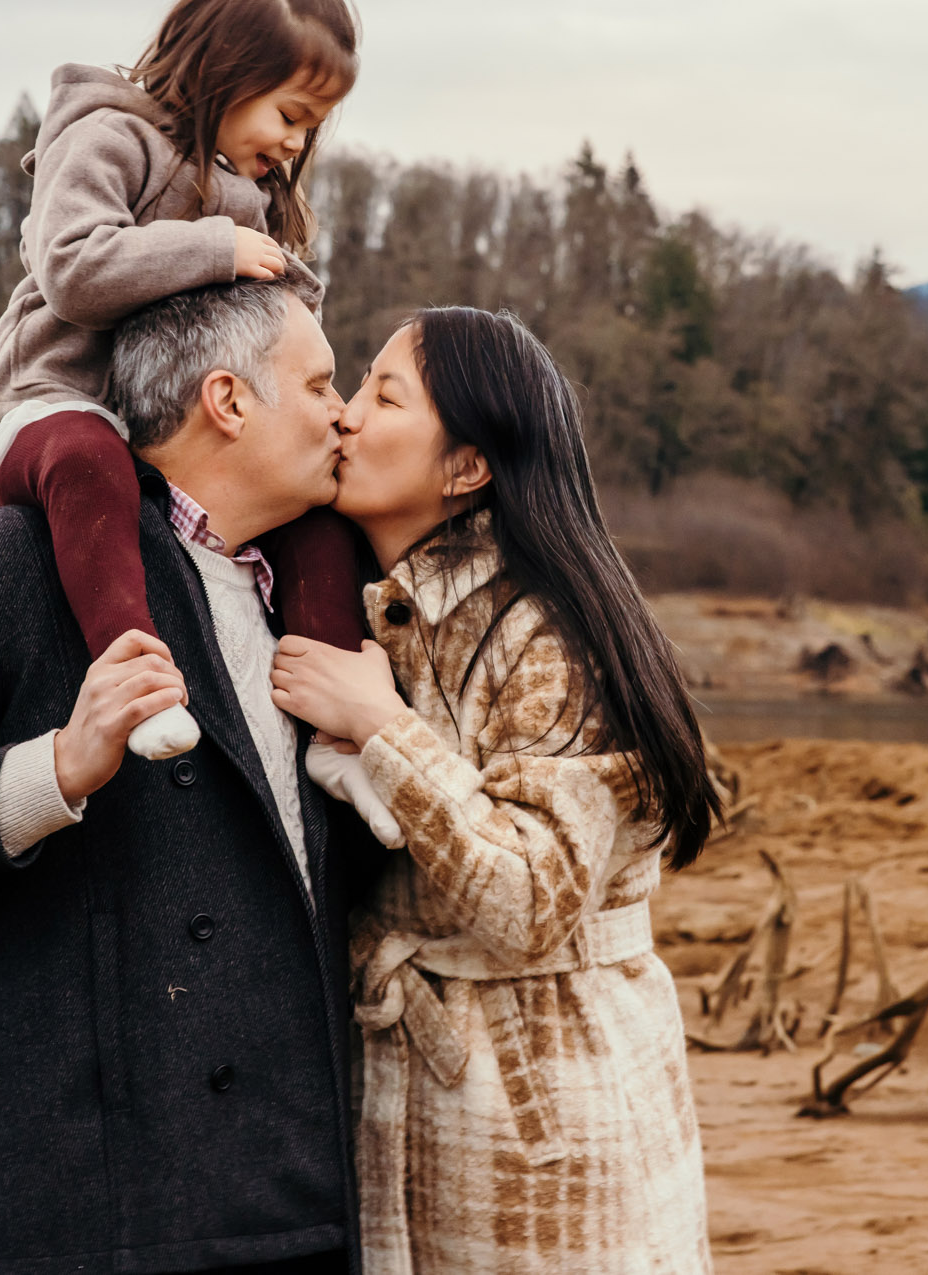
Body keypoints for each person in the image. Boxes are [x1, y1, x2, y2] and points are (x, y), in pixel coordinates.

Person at [0, 266, 386, 1275]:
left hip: (300, 1207)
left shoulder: (327, 601)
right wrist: (54, 767)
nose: (345, 415)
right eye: (322, 382)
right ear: (228, 399)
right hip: (75, 1219)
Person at [268, 307, 720, 1275]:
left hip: (547, 1124)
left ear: (465, 467)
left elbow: (528, 899)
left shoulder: (549, 633)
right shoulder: (372, 603)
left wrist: (382, 726)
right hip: (402, 1101)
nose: (346, 417)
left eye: (382, 395)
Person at [0, 0, 368, 761]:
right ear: (228, 71)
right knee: (92, 461)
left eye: (312, 128)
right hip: (56, 406)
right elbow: (74, 268)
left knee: (315, 517)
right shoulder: (108, 137)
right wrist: (217, 247)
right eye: (290, 115)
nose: (296, 143)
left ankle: (338, 732)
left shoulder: (252, 196)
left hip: (170, 435)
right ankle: (138, 683)